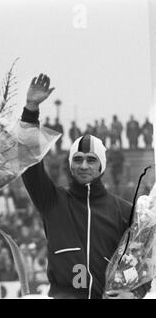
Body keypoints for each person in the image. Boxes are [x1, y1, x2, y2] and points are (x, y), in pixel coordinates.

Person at [20, 74, 150, 299]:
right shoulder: (53, 201)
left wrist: (135, 294)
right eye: (77, 159)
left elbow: (143, 263)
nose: (83, 165)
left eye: (91, 159)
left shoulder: (124, 211)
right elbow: (29, 162)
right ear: (70, 165)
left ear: (102, 166)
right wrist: (31, 110)